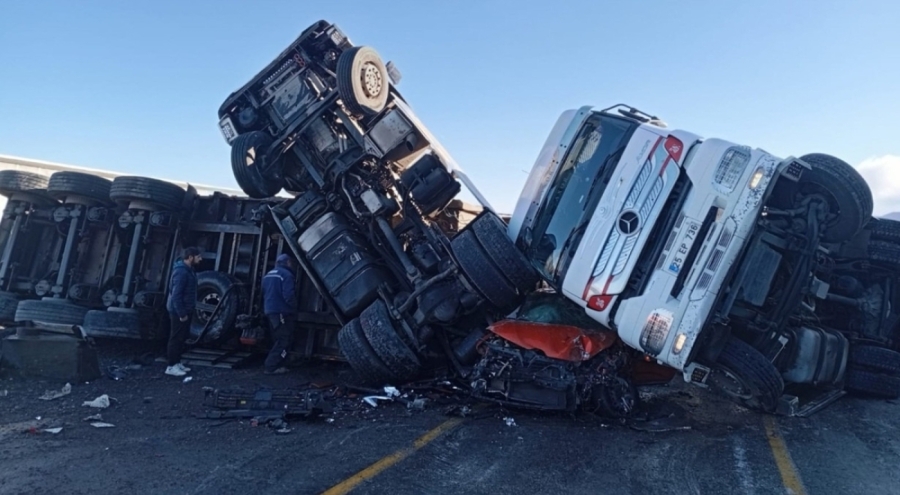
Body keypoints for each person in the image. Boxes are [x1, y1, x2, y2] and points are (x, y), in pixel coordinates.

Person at [164, 246, 202, 377]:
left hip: (185, 309)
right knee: (175, 337)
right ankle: (171, 366)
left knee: (181, 337)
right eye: (198, 256)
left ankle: (177, 362)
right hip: (178, 311)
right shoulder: (181, 272)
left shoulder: (189, 270)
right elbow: (176, 295)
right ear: (190, 257)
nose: (200, 259)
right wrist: (181, 314)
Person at [262, 253, 298, 374]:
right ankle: (271, 366)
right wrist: (294, 308)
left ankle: (281, 362)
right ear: (288, 263)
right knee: (284, 339)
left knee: (277, 338)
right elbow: (288, 295)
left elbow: (263, 292)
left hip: (270, 311)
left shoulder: (268, 274)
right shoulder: (287, 275)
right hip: (281, 311)